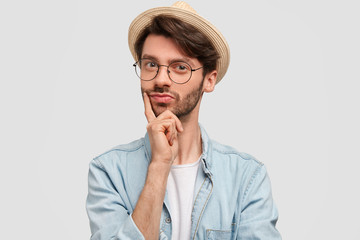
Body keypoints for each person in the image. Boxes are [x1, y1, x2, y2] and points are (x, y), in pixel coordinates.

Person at [86, 1, 281, 239]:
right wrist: (159, 165)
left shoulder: (247, 177)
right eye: (151, 64)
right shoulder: (109, 171)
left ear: (209, 80)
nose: (161, 79)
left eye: (180, 67)